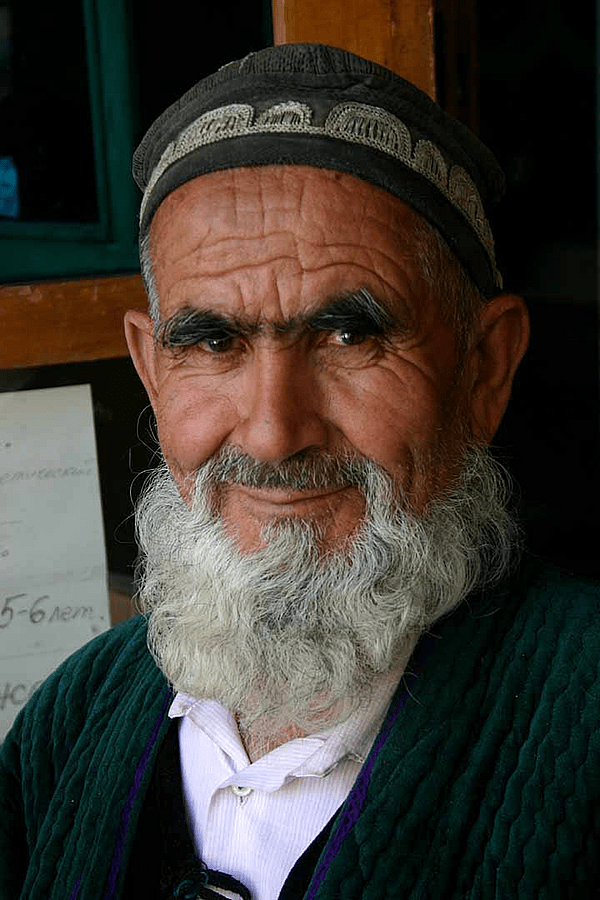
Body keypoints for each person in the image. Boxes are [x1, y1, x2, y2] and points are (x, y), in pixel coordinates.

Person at [1, 43, 599, 900]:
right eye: (212, 342)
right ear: (151, 370)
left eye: (351, 336)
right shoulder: (74, 713)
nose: (276, 434)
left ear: (485, 368)